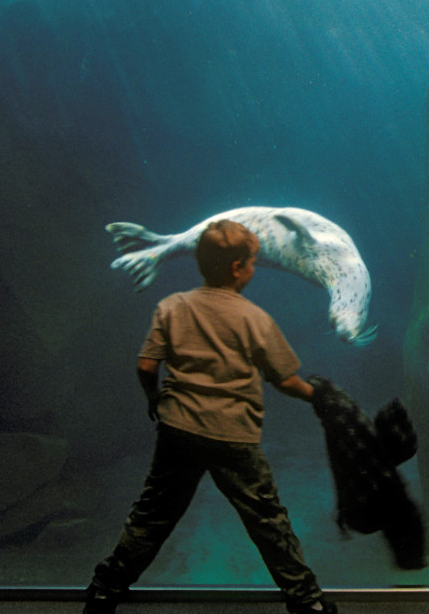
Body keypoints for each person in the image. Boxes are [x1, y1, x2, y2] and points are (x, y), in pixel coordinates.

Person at [84, 219, 337, 614]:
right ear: (238, 268)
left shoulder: (171, 307)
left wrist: (154, 399)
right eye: (253, 262)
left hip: (178, 430)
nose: (255, 268)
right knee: (267, 520)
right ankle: (307, 601)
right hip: (234, 437)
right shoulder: (255, 318)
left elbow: (147, 366)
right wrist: (318, 397)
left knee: (151, 516)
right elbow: (285, 380)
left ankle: (104, 589)